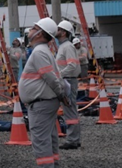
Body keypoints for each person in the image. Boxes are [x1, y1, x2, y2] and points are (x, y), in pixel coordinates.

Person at [19, 17, 67, 168]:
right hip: (45, 102)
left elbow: (50, 77)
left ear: (39, 33)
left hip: (41, 103)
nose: (30, 31)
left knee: (40, 140)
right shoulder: (44, 51)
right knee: (49, 137)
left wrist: (61, 94)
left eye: (34, 28)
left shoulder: (39, 52)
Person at [54, 21, 81, 150]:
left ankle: (72, 140)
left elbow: (72, 66)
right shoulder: (64, 46)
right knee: (69, 110)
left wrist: (59, 75)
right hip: (67, 80)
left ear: (64, 32)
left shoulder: (67, 47)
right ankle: (74, 139)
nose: (56, 31)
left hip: (68, 80)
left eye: (58, 29)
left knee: (69, 110)